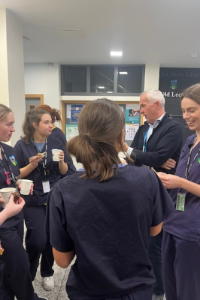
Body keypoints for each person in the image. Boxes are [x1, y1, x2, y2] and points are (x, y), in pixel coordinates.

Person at [46, 98, 174, 300]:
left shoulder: (63, 190)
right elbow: (155, 230)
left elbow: (62, 260)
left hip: (88, 291)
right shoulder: (147, 179)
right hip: (137, 290)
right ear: (121, 136)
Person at [122, 90, 183, 300]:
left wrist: (135, 152)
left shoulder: (173, 128)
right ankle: (145, 281)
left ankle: (158, 291)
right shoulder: (143, 128)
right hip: (141, 189)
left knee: (156, 243)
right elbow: (136, 159)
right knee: (142, 239)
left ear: (156, 104)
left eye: (143, 106)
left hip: (161, 192)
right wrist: (152, 159)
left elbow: (149, 155)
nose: (140, 111)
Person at [14, 109, 75, 291]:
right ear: (35, 125)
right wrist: (31, 165)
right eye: (47, 122)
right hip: (32, 198)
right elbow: (16, 175)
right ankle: (30, 272)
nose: (51, 126)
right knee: (37, 239)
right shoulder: (21, 145)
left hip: (53, 196)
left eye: (51, 122)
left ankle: (47, 272)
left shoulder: (56, 142)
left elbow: (65, 171)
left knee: (51, 237)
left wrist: (62, 161)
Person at [157, 83, 200, 300]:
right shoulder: (190, 141)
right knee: (170, 283)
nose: (186, 116)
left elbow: (183, 182)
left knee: (188, 287)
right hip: (173, 221)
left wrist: (180, 183)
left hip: (192, 229)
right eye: (183, 111)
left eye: (191, 110)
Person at [0, 104, 47, 300]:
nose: (13, 129)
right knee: (19, 263)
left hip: (15, 217)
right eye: (9, 124)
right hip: (3, 221)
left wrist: (20, 184)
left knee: (9, 266)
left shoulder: (8, 150)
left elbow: (13, 176)